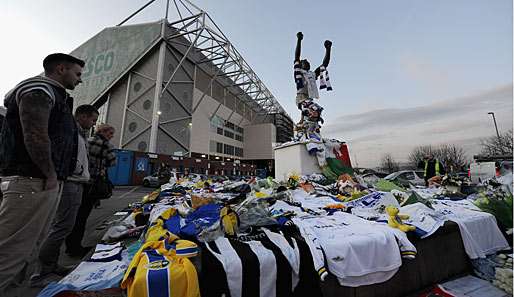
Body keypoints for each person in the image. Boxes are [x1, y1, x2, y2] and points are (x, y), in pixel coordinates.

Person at [0, 53, 84, 296]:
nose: (80, 80)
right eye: (77, 74)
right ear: (61, 69)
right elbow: (35, 135)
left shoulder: (54, 95)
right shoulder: (38, 90)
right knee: (12, 251)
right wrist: (49, 173)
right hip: (33, 181)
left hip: (42, 181)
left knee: (27, 249)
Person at [31, 105, 99, 286]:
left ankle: (51, 266)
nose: (94, 123)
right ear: (82, 116)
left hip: (76, 182)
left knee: (64, 226)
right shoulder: (69, 131)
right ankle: (40, 273)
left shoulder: (80, 134)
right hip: (70, 182)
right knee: (61, 226)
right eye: (92, 119)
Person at [65, 123, 116, 257]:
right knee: (82, 217)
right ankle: (76, 248)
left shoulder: (87, 140)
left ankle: (69, 245)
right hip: (93, 184)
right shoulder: (106, 145)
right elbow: (112, 162)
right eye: (111, 134)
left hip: (81, 181)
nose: (112, 137)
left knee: (75, 216)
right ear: (105, 133)